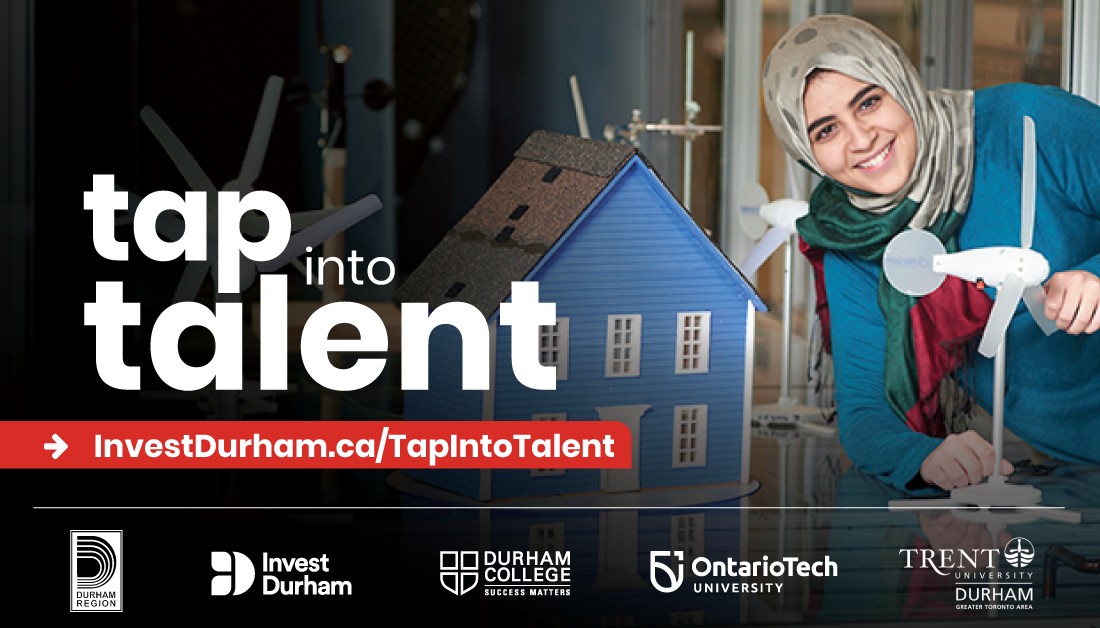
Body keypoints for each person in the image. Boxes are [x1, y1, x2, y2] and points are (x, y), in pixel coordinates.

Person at [761, 14, 1100, 493]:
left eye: (869, 101)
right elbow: (864, 412)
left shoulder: (1026, 124)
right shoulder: (850, 239)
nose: (861, 139)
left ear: (901, 81)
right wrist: (924, 455)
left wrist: (1095, 275)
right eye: (826, 131)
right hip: (1079, 467)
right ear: (804, 149)